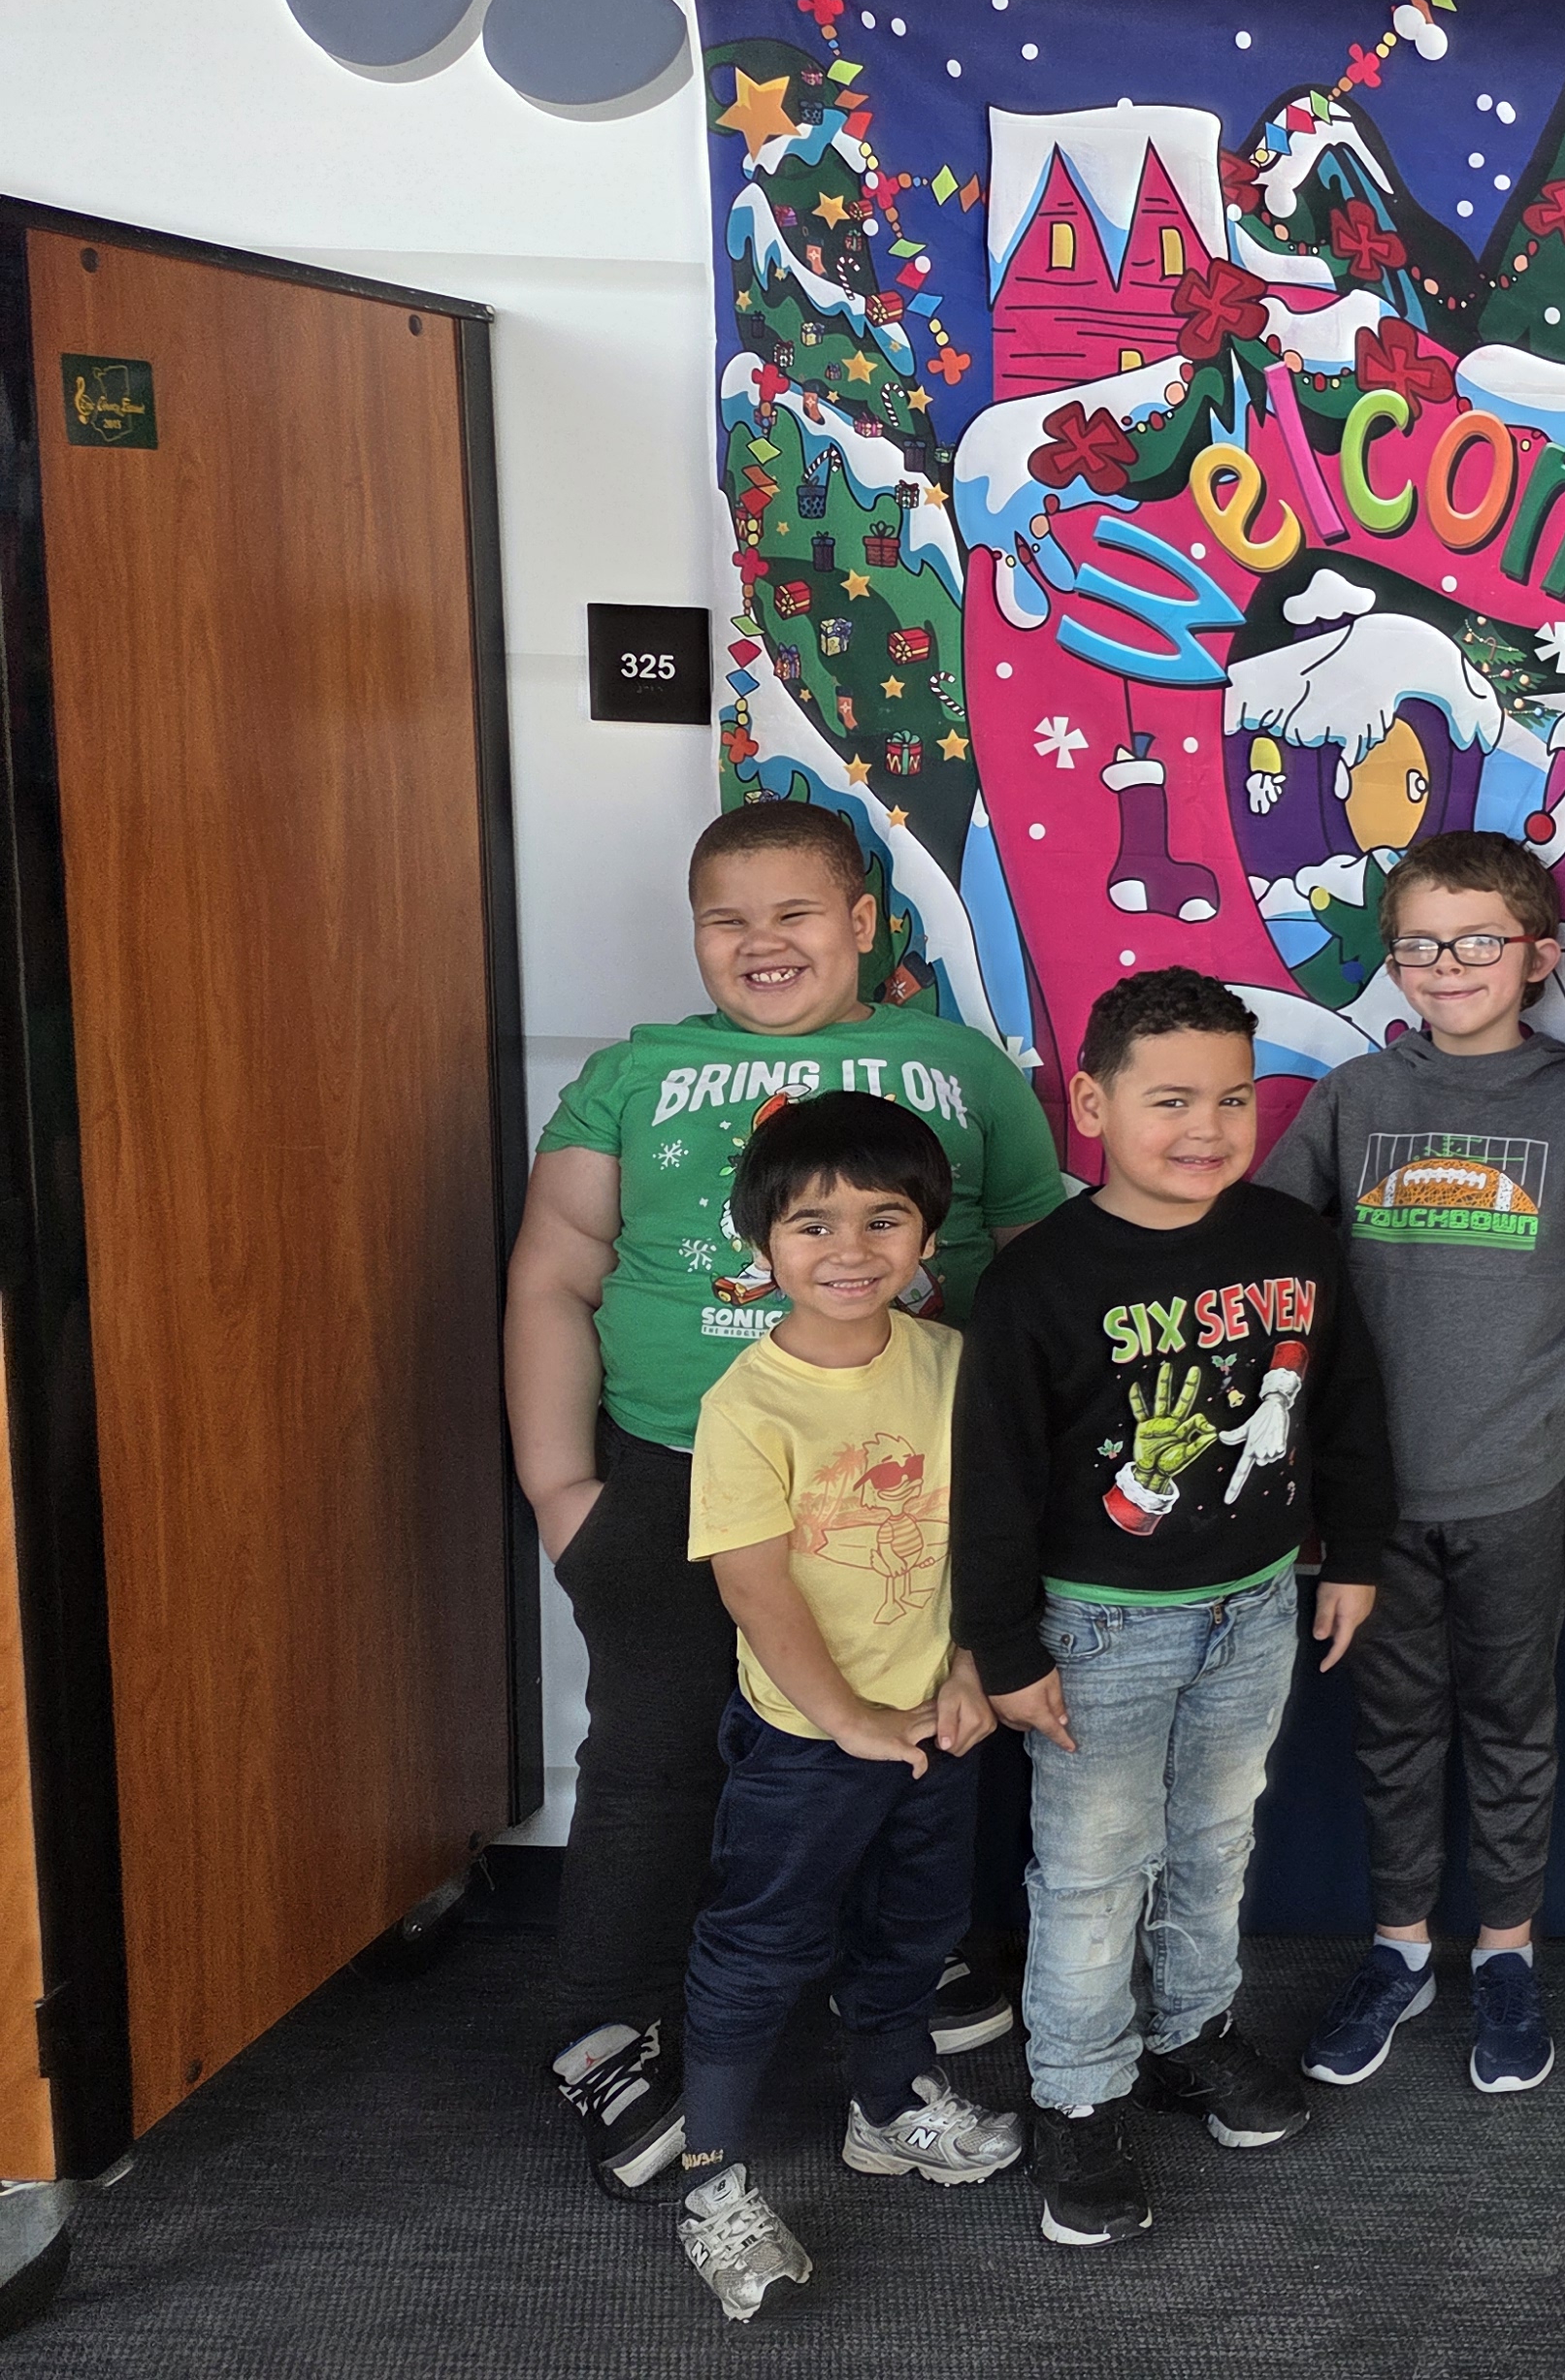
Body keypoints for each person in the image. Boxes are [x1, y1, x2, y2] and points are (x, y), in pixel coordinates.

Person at [507, 799, 1063, 2195]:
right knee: (654, 1751)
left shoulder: (958, 1064)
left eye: (796, 913)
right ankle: (601, 2030)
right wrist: (559, 1480)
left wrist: (1034, 1475)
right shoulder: (637, 1076)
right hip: (679, 1470)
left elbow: (1049, 1266)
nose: (762, 943)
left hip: (911, 1475)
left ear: (865, 924)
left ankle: (898, 1981)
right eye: (727, 919)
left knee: (922, 1727)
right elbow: (553, 1271)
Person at [953, 969, 1394, 2248]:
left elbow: (1346, 1406)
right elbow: (994, 1481)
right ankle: (1076, 2098)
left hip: (1252, 1609)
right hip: (1098, 1630)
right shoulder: (1038, 1282)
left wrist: (1352, 1553)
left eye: (1233, 1098)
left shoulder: (1293, 1243)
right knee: (1093, 1879)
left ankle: (1187, 2035)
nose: (1206, 1126)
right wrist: (1003, 1649)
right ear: (1090, 1103)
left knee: (1213, 1849)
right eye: (1170, 1100)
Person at [1259, 831, 1565, 2099]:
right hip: (1374, 1494)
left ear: (1538, 958)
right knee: (1394, 1730)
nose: (1446, 966)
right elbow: (1281, 1250)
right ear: (1395, 961)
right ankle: (1400, 1952)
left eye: (1477, 942)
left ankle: (1504, 1957)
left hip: (1513, 1488)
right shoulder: (1357, 1099)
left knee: (1512, 1726)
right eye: (1420, 944)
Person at [668, 1093, 1019, 2320]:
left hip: (939, 1723)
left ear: (929, 1237)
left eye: (884, 1218)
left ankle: (888, 2108)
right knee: (760, 1948)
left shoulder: (954, 1365)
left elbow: (987, 1536)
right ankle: (711, 2175)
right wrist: (850, 1720)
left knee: (917, 1933)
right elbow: (756, 1591)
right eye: (813, 1224)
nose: (851, 1249)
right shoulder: (746, 1406)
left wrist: (972, 1667)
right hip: (806, 1747)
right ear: (761, 1245)